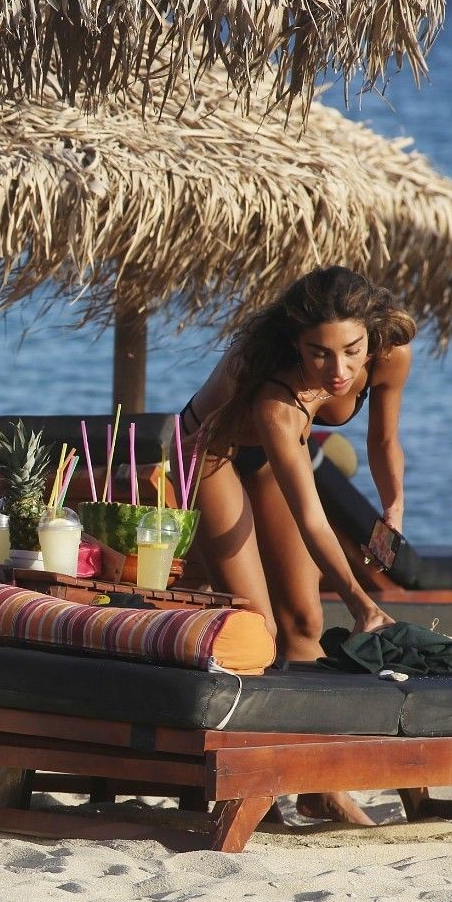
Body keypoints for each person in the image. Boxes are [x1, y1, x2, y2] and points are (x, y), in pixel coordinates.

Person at [179, 266, 415, 825]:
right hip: (209, 453)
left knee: (305, 622)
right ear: (294, 344)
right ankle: (249, 786)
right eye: (319, 354)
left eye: (351, 351)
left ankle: (315, 786)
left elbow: (383, 440)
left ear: (371, 335)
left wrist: (393, 508)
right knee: (257, 631)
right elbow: (312, 519)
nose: (339, 371)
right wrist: (362, 604)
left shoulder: (391, 355)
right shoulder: (275, 394)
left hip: (275, 455)